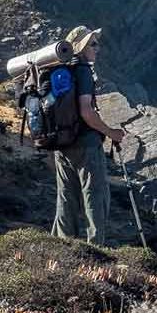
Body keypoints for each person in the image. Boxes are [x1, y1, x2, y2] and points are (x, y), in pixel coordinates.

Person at [51, 25, 130, 243]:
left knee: (66, 197)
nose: (98, 48)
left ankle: (61, 247)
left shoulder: (62, 70)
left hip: (61, 142)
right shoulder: (83, 71)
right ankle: (94, 250)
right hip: (85, 144)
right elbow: (86, 111)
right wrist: (111, 132)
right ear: (82, 46)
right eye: (93, 44)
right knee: (95, 196)